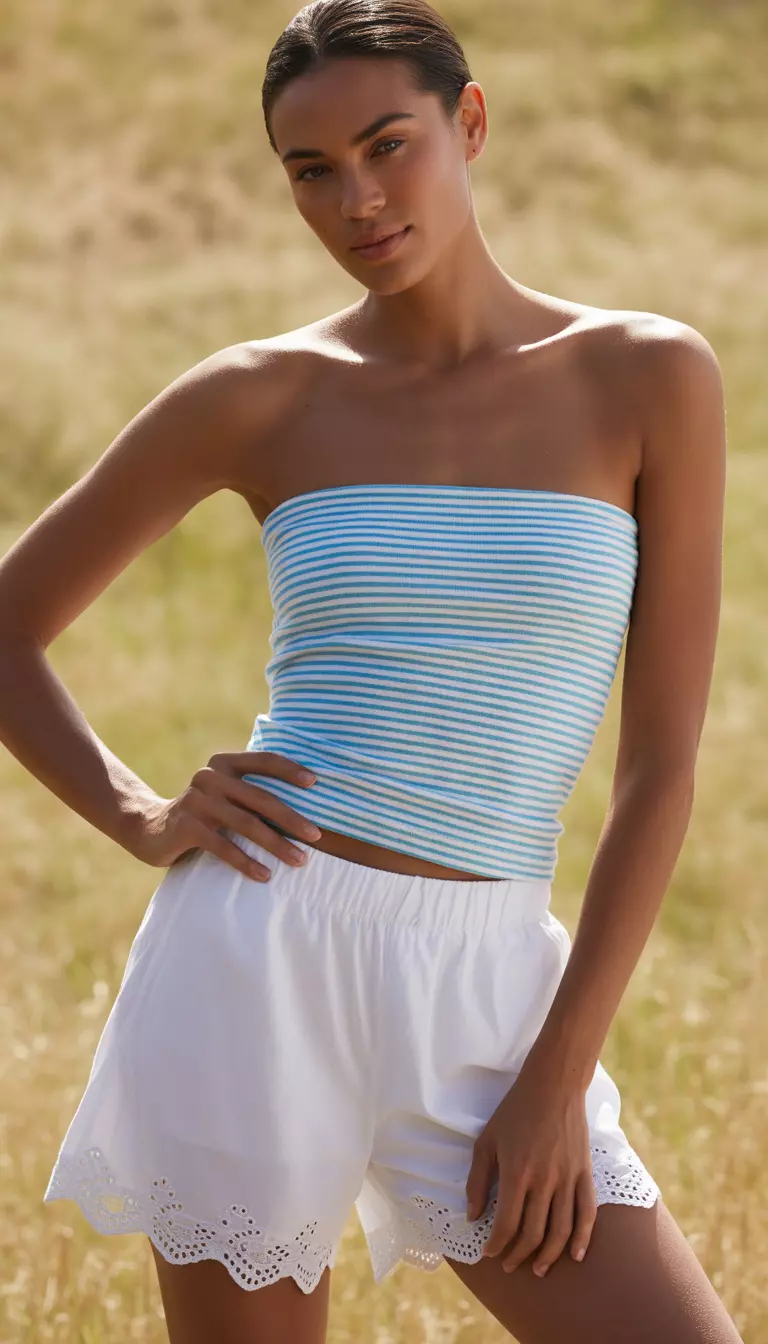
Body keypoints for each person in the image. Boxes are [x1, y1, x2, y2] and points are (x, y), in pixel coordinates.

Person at [0, 1, 741, 1341]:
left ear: (470, 122)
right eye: (313, 170)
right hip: (254, 956)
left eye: (389, 145)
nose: (358, 200)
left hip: (486, 979)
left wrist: (556, 1074)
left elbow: (660, 769)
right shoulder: (261, 394)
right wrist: (139, 814)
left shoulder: (646, 378)